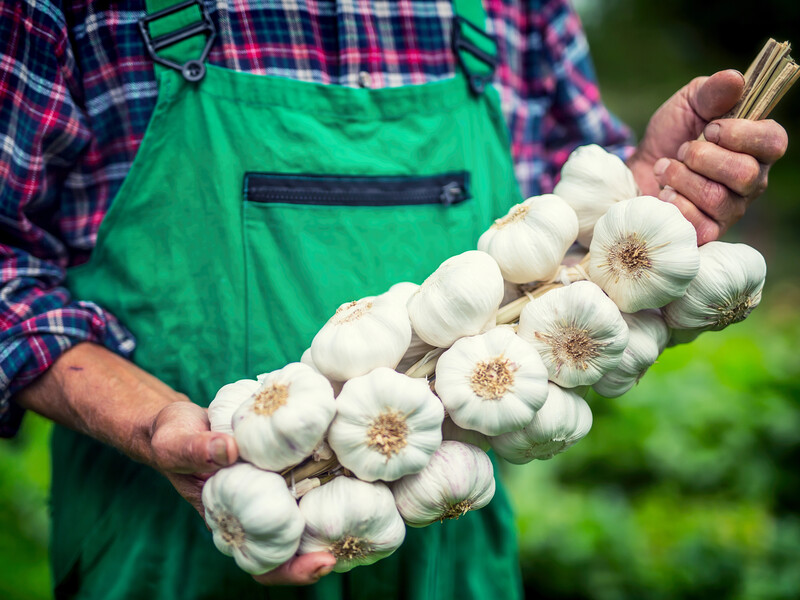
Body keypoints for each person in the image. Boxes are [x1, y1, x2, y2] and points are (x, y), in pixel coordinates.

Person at [0, 0, 787, 597]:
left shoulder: (518, 7)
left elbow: (574, 291)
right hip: (162, 551)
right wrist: (153, 423)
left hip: (451, 538)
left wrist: (647, 208)